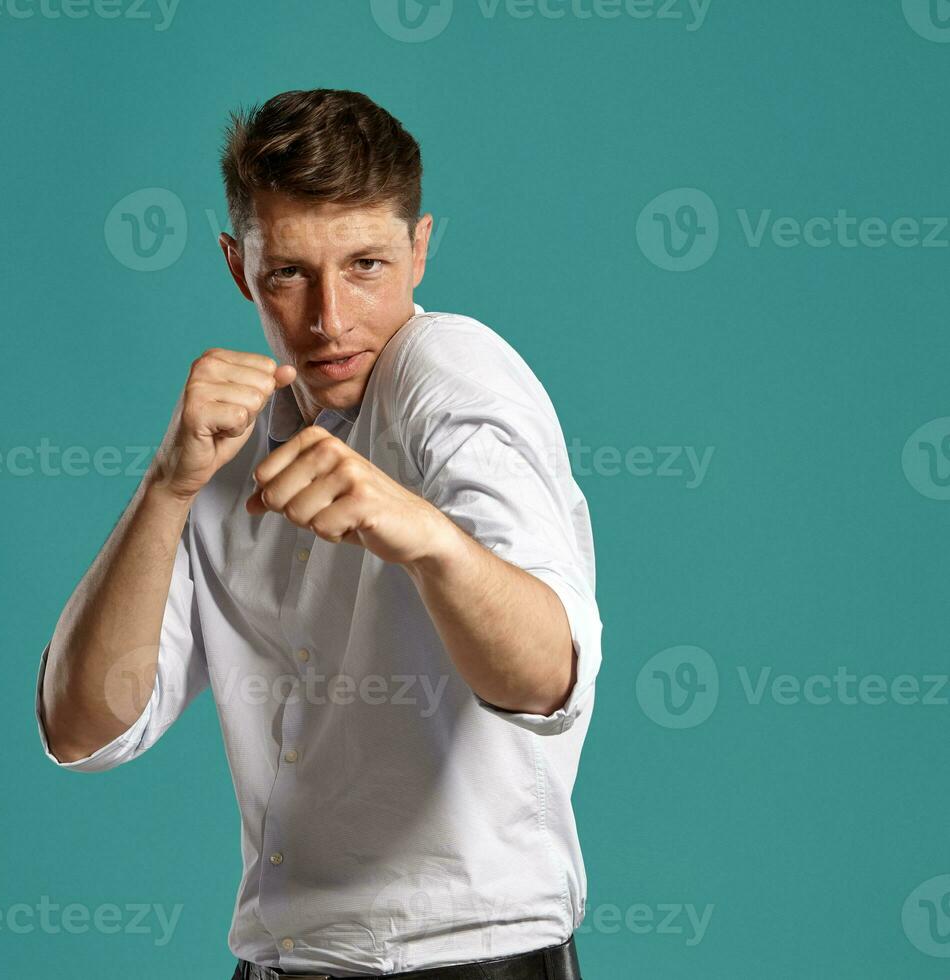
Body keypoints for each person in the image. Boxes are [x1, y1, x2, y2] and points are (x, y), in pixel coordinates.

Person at [34, 88, 600, 980]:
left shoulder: (451, 372)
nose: (331, 319)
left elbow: (547, 677)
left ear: (420, 250)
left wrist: (422, 534)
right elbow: (81, 727)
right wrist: (167, 485)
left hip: (465, 962)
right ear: (237, 266)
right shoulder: (231, 439)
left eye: (367, 264)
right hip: (281, 962)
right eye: (290, 273)